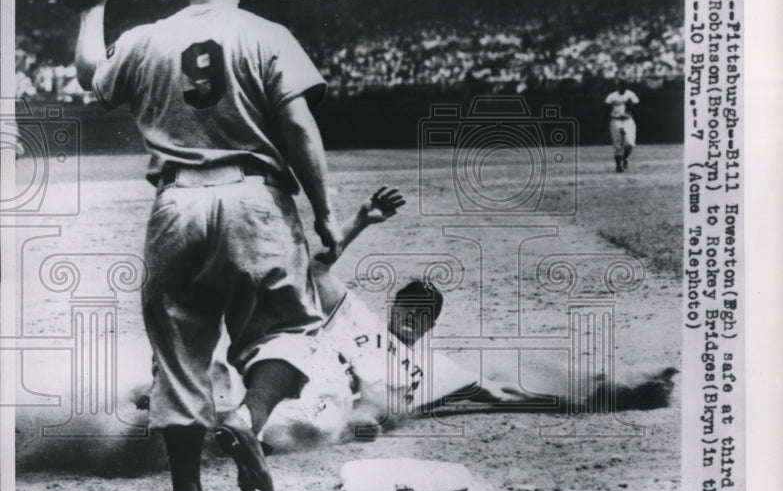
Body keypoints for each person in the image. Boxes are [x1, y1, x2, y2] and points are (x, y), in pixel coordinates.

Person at [74, 0, 342, 491]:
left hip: (176, 204)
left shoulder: (146, 38)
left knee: (179, 352)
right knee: (291, 329)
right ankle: (248, 417)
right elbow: (298, 125)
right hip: (255, 201)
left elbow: (92, 74)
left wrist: (92, 6)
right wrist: (325, 210)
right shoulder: (265, 34)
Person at [250, 187, 677, 454]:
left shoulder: (438, 370)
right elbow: (316, 271)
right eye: (406, 310)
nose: (411, 320)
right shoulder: (359, 319)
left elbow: (504, 394)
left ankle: (635, 382)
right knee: (282, 416)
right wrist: (361, 221)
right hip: (322, 379)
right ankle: (248, 426)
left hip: (345, 405)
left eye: (422, 316)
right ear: (393, 309)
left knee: (305, 425)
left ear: (430, 326)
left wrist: (596, 398)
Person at [604, 78, 640, 172]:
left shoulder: (631, 95)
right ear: (617, 86)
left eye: (624, 85)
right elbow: (606, 109)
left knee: (630, 143)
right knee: (618, 143)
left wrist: (630, 106)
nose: (622, 87)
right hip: (616, 120)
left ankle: (625, 158)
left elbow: (636, 108)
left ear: (626, 86)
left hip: (628, 120)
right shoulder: (612, 96)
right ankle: (618, 165)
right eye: (620, 85)